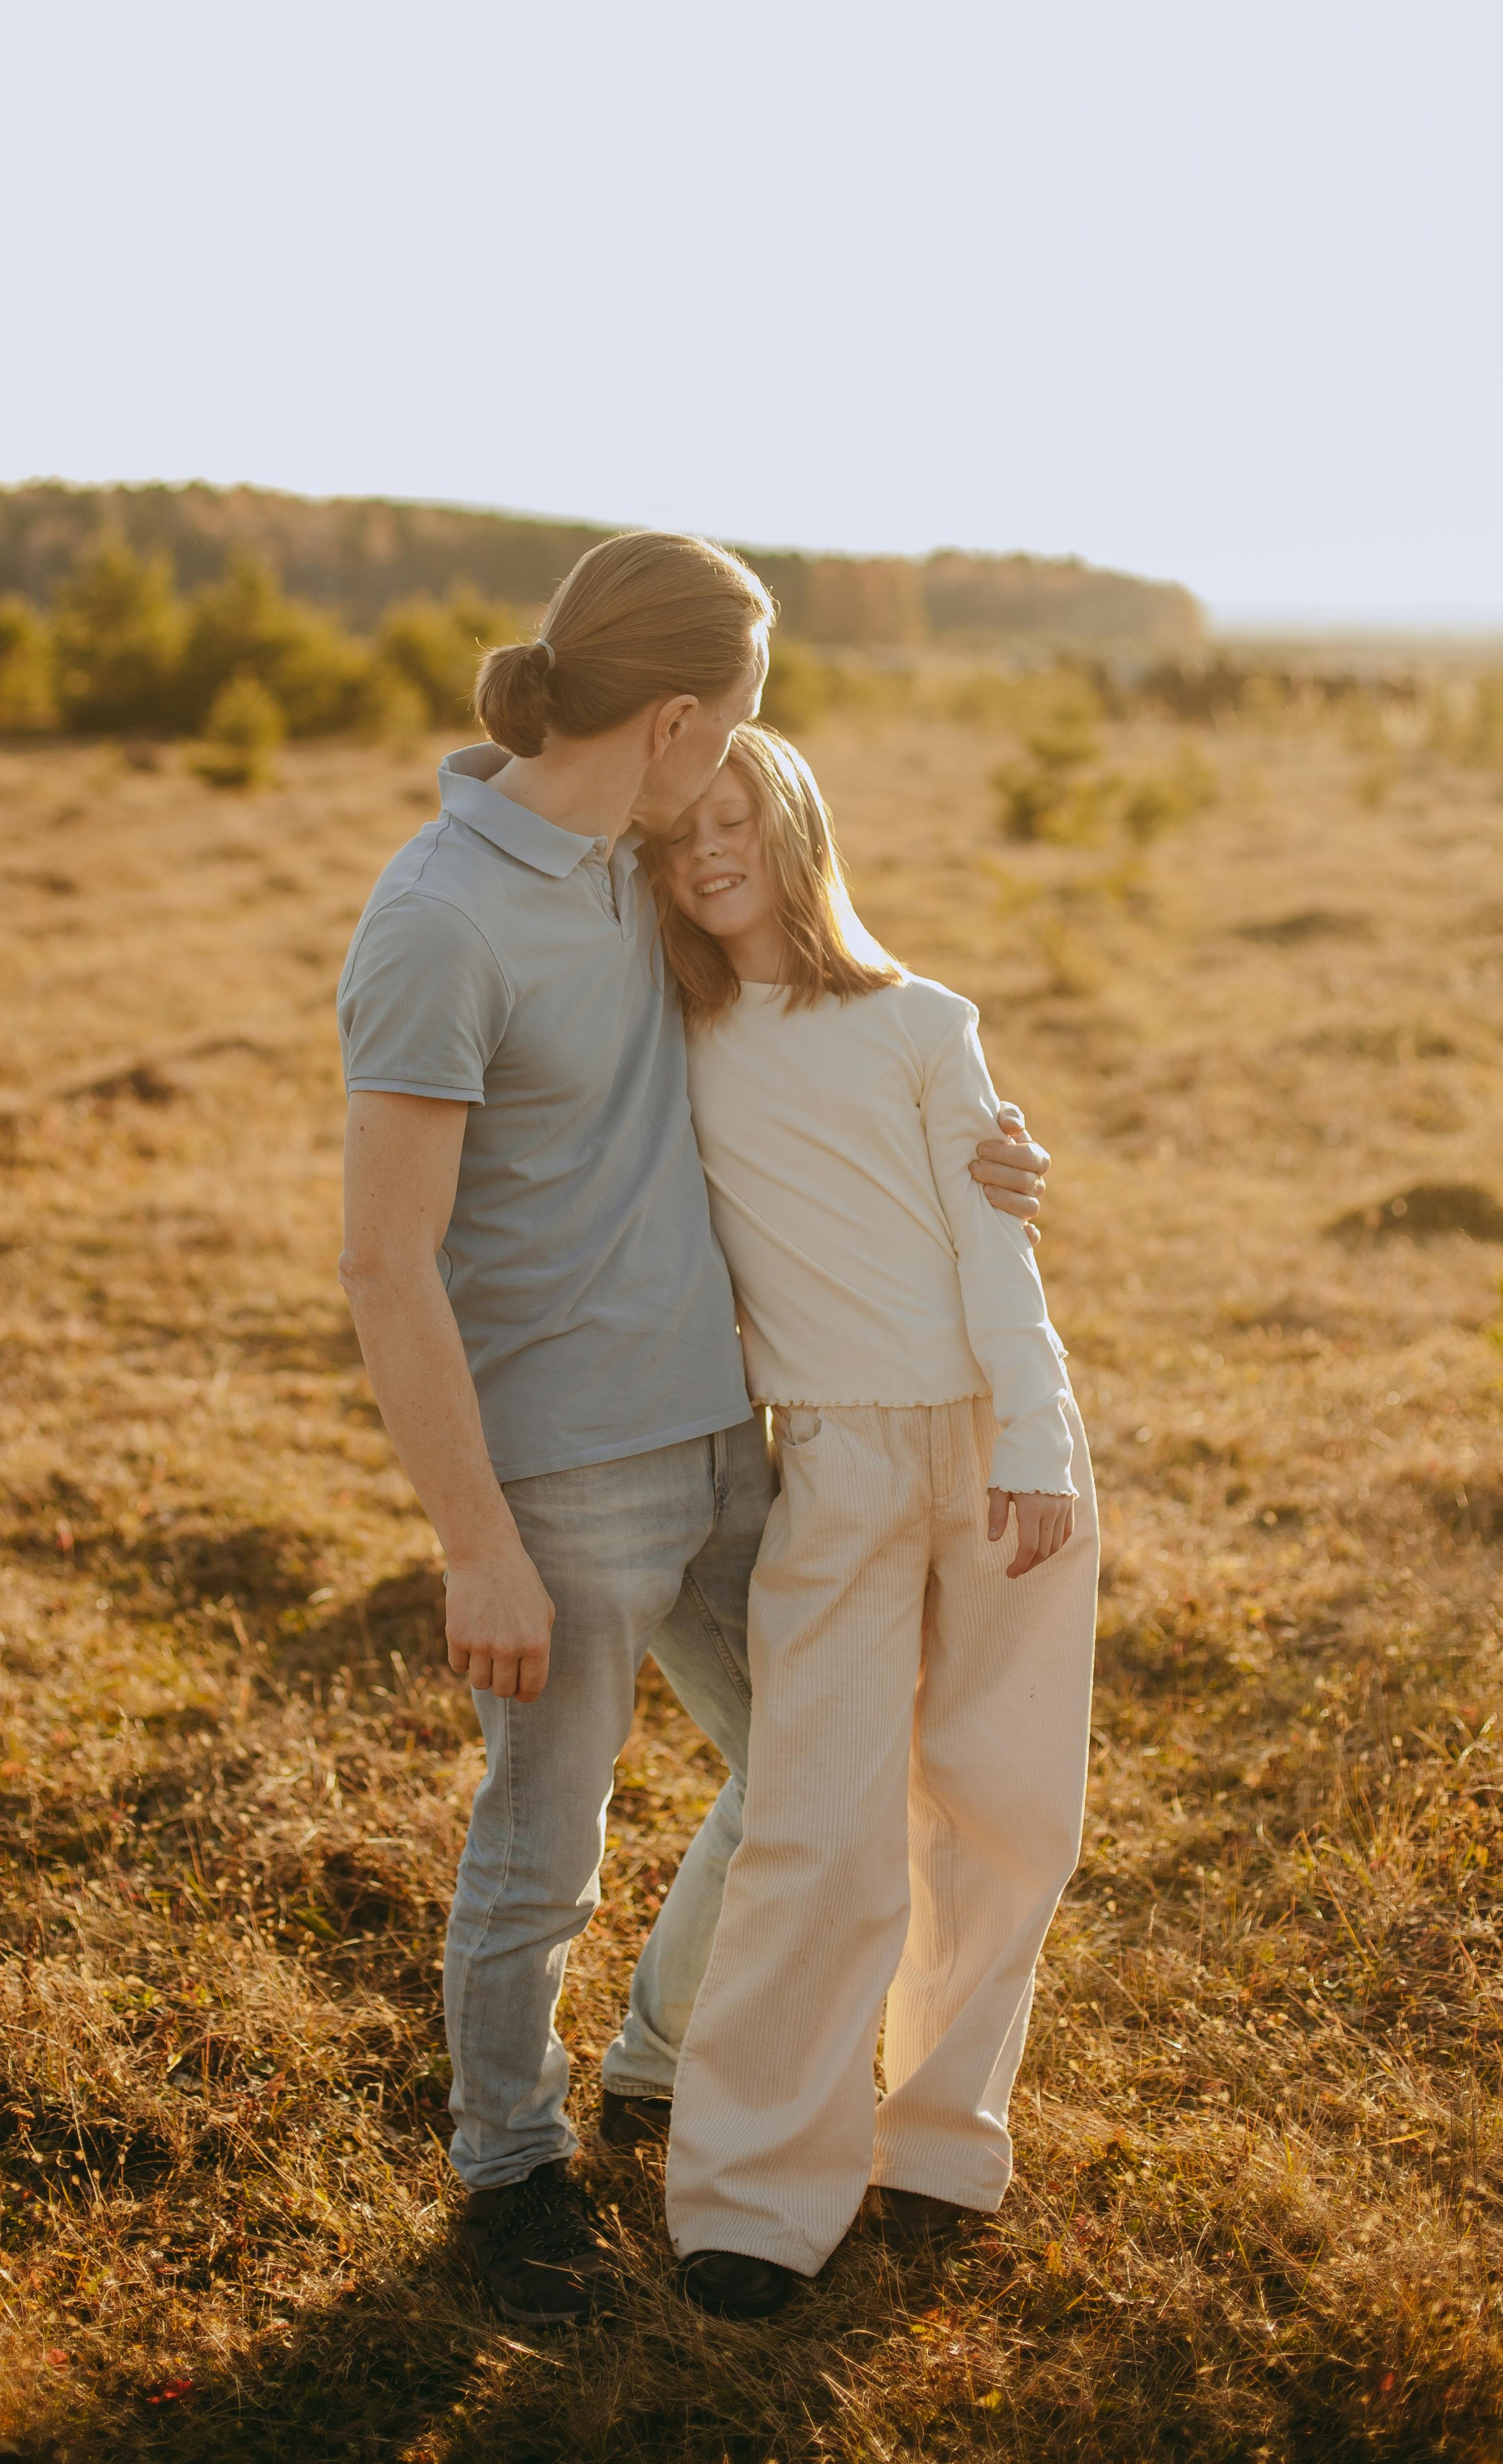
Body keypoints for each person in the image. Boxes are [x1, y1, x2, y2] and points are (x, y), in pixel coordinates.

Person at [334, 533, 1051, 2327]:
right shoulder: (438, 917)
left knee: (808, 1768)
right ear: (672, 717)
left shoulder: (631, 870)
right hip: (562, 1486)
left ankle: (663, 2058)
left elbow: (807, 1041)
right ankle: (509, 2167)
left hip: (741, 1448)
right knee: (540, 1848)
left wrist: (974, 1149)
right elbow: (379, 1261)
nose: (737, 755)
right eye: (731, 717)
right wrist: (475, 1540)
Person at [644, 726, 1099, 2322]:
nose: (708, 851)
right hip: (827, 1457)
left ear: (792, 825)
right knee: (816, 1824)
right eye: (677, 826)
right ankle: (752, 2198)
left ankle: (936, 2141)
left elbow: (995, 1259)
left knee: (1000, 1802)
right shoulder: (664, 1039)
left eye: (734, 816)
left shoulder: (922, 1024)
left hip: (992, 1443)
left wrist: (1034, 1443)